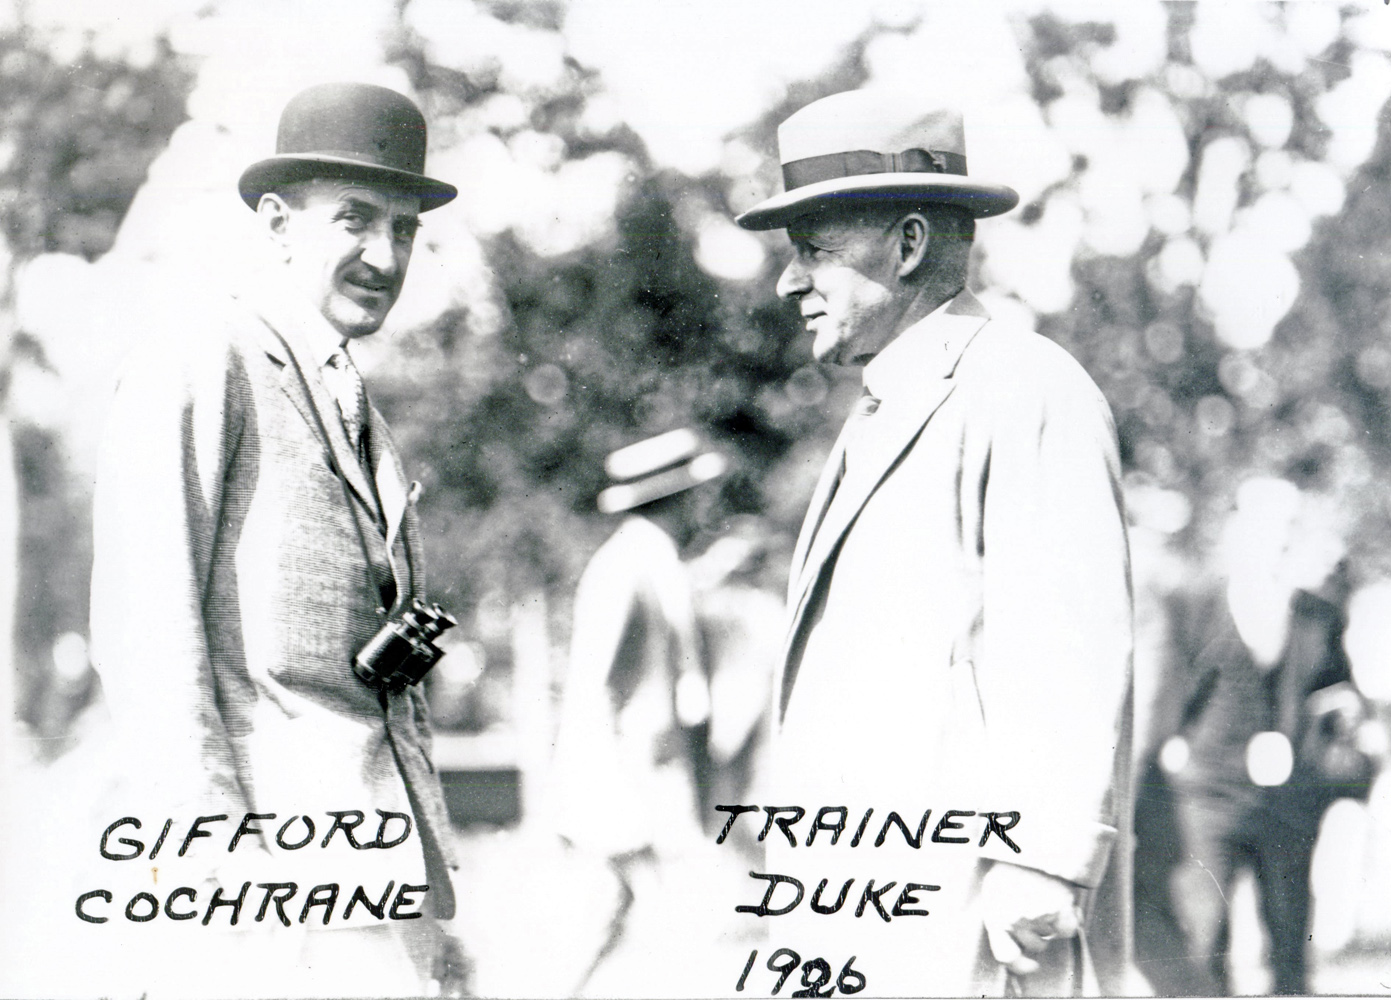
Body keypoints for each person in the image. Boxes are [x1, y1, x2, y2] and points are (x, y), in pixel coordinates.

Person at [732, 90, 1134, 996]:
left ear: (909, 244)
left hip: (971, 912)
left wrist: (1043, 861)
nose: (790, 283)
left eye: (814, 251)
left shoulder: (1021, 386)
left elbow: (1069, 642)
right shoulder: (885, 407)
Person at [87, 82, 467, 998]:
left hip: (367, 877)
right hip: (266, 887)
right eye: (354, 219)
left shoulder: (352, 400)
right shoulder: (202, 356)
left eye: (406, 228)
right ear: (276, 221)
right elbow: (149, 634)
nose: (385, 255)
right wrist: (209, 868)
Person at [1133, 478, 1379, 995]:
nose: (1280, 538)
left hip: (1288, 802)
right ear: (1240, 529)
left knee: (1289, 946)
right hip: (1207, 797)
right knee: (1204, 942)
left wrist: (1346, 710)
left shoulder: (1319, 614)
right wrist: (1168, 746)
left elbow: (1339, 688)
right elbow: (1167, 682)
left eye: (1290, 526)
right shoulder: (1198, 600)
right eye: (1268, 524)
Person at [551, 428, 727, 996]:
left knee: (604, 923)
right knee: (676, 926)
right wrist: (613, 798)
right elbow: (591, 689)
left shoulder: (656, 560)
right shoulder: (624, 566)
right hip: (630, 783)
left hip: (655, 777)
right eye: (695, 493)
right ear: (676, 497)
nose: (705, 504)